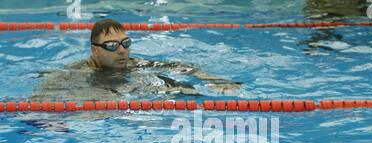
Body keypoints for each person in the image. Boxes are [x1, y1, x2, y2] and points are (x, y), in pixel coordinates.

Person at [32, 19, 241, 102]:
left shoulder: (134, 64)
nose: (122, 51)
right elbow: (46, 91)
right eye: (112, 46)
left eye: (126, 43)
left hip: (127, 94)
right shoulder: (78, 72)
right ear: (94, 51)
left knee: (179, 88)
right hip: (96, 99)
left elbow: (179, 67)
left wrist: (216, 80)